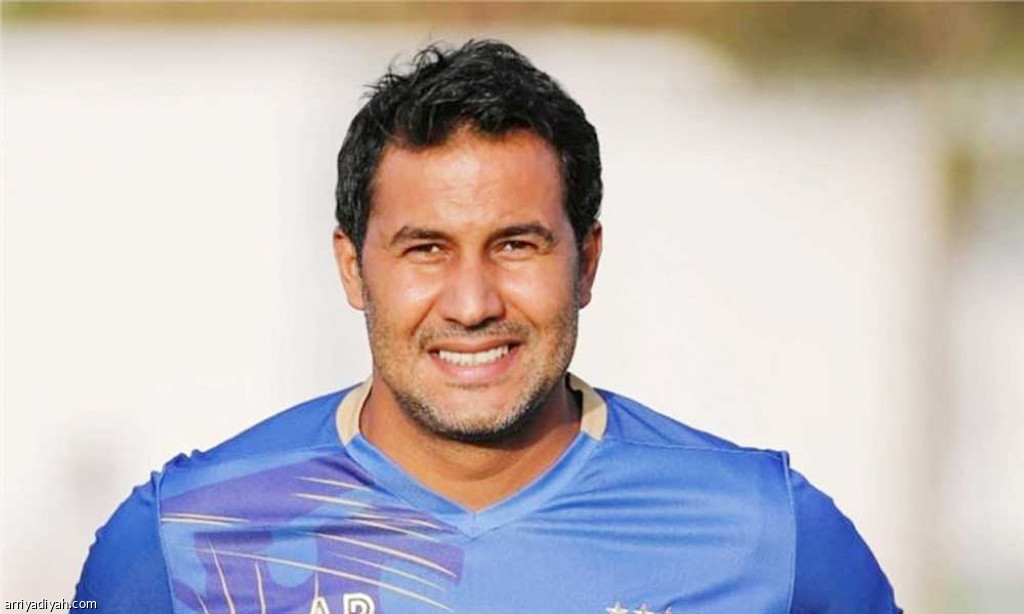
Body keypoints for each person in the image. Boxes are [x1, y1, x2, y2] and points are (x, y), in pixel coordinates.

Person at [74, 40, 901, 613]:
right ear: (352, 268)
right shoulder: (183, 539)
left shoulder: (769, 537)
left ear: (587, 263)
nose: (472, 304)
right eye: (425, 249)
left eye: (516, 245)